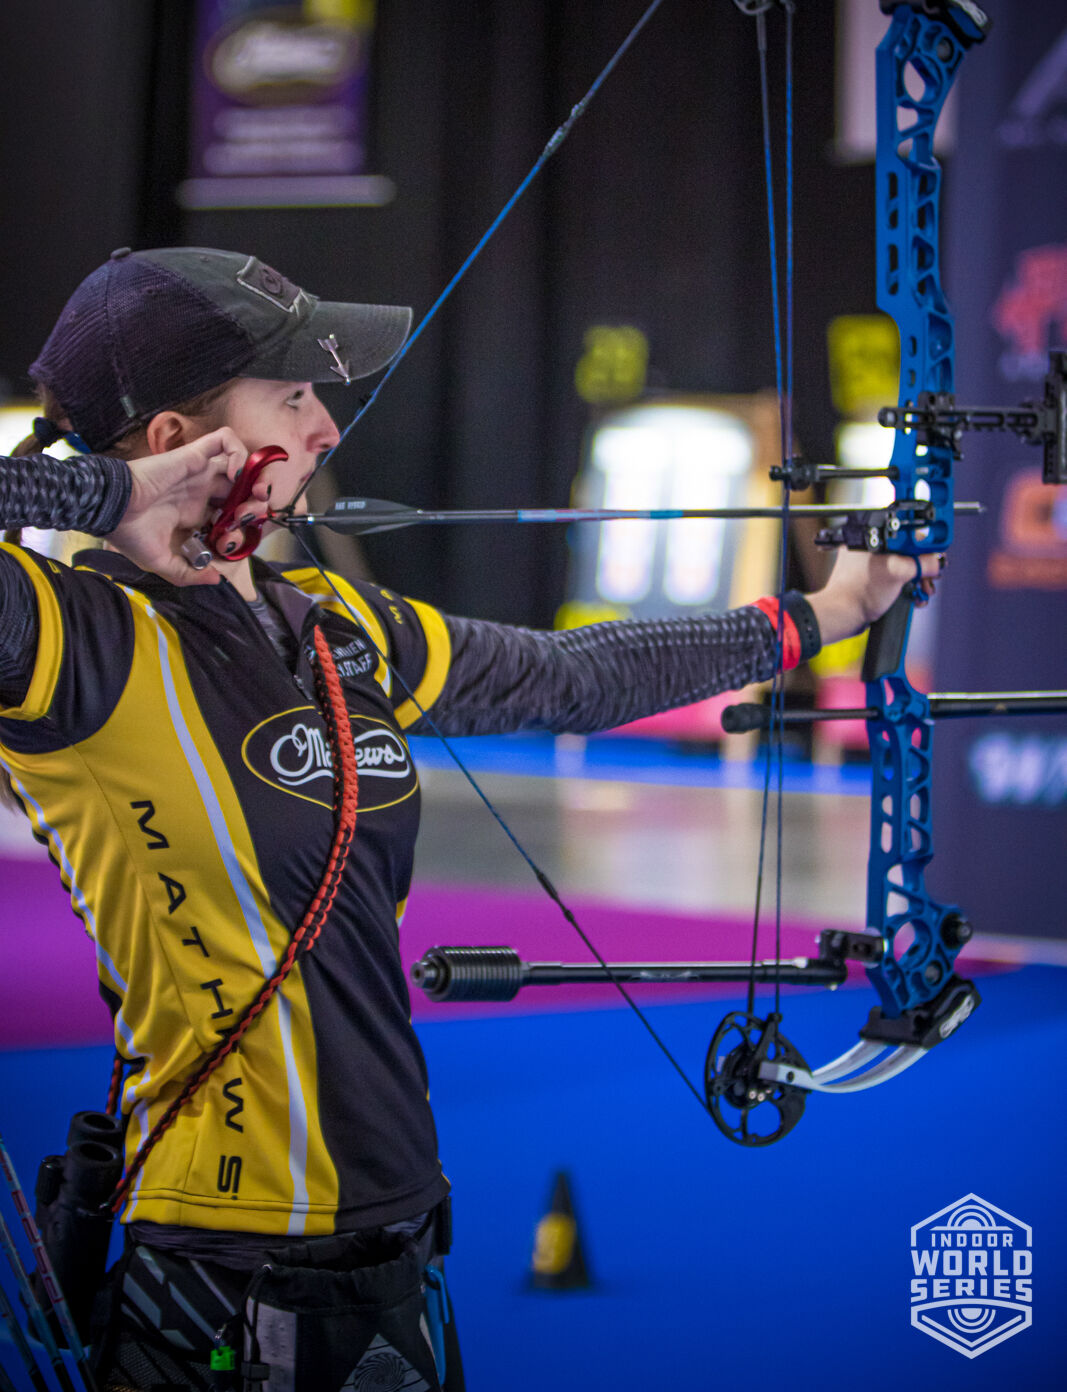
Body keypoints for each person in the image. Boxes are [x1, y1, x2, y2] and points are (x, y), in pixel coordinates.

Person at [0, 246, 941, 1392]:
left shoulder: (334, 619)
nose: (326, 425)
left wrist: (823, 611)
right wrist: (102, 497)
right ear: (172, 442)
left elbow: (565, 677)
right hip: (215, 1256)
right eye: (290, 394)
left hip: (400, 1233)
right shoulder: (67, 640)